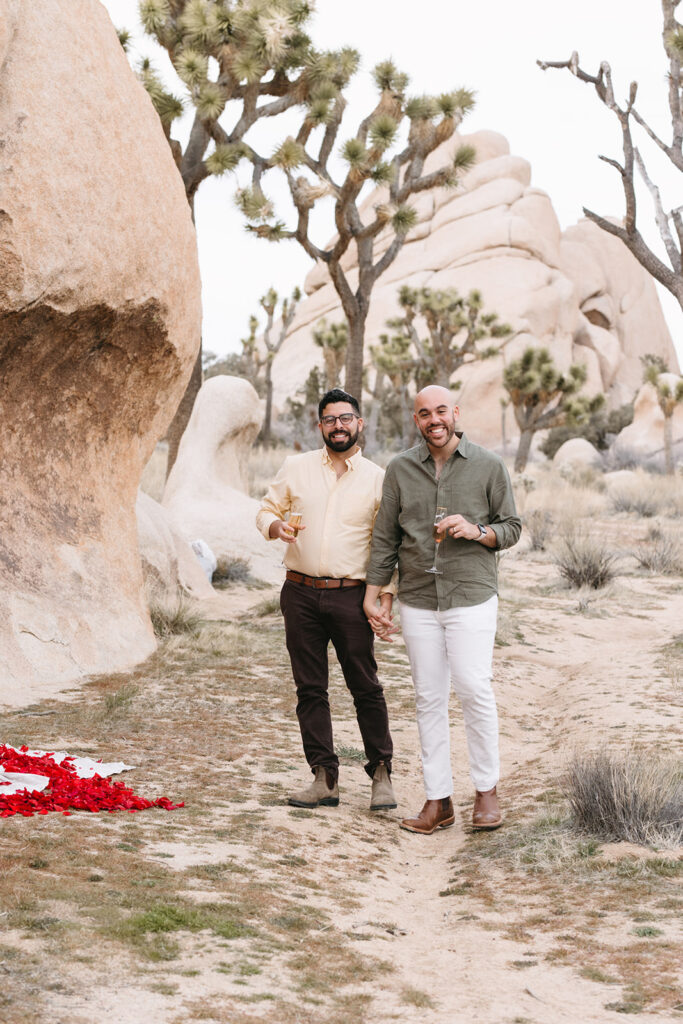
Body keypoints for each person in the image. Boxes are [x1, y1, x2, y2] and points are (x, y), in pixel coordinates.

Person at [363, 385, 521, 835]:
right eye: (424, 413)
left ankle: (486, 792)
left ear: (456, 413)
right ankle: (438, 801)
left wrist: (475, 530)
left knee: (473, 688)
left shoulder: (488, 466)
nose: (434, 420)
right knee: (429, 698)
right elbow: (385, 538)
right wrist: (374, 592)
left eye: (441, 411)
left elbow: (512, 527)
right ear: (416, 420)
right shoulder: (400, 469)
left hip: (471, 595)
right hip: (417, 598)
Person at [256, 388, 397, 812]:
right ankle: (324, 777)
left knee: (365, 687)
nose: (339, 425)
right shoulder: (295, 467)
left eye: (346, 418)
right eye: (330, 419)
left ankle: (382, 775)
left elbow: (386, 545)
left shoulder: (377, 477)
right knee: (310, 689)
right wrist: (276, 527)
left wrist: (385, 596)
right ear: (320, 426)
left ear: (359, 423)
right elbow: (264, 509)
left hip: (351, 596)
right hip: (299, 592)